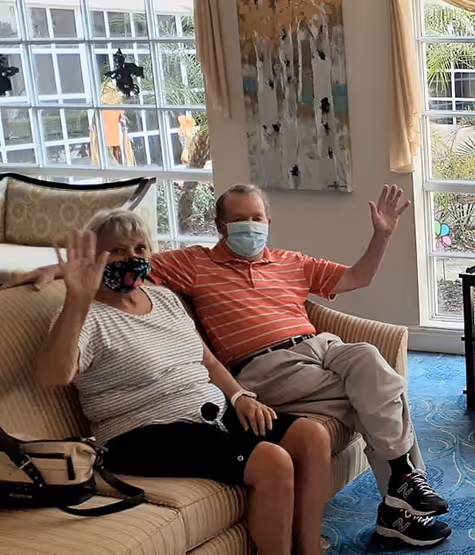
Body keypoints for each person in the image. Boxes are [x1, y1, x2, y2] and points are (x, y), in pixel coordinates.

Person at [18, 183, 451, 547]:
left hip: (307, 354)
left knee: (372, 372)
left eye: (258, 218)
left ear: (269, 221)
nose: (251, 226)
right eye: (240, 220)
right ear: (221, 226)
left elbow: (357, 278)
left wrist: (384, 234)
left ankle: (396, 493)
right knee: (377, 397)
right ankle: (402, 497)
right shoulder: (188, 266)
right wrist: (62, 276)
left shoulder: (281, 264)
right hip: (236, 380)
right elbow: (102, 277)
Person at [36, 211, 332, 555]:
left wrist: (238, 397)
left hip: (210, 413)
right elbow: (52, 375)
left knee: (311, 436)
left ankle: (309, 549)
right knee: (272, 461)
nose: (132, 258)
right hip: (141, 433)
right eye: (116, 251)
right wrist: (76, 299)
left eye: (139, 248)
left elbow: (205, 359)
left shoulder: (163, 299)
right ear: (92, 259)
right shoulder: (84, 315)